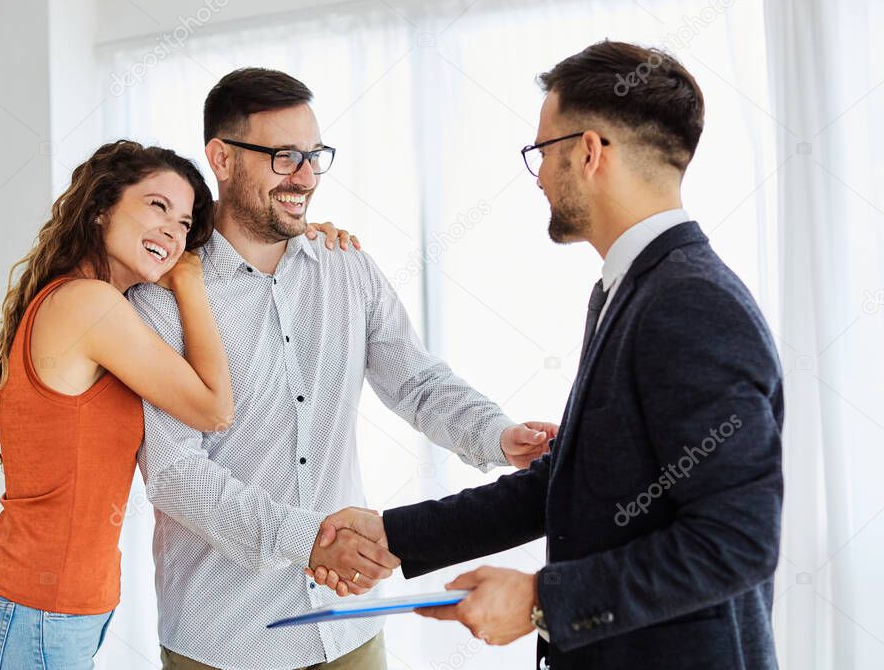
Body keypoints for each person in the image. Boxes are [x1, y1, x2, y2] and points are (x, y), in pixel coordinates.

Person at [312, 41, 784, 670]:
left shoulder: (689, 302)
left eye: (541, 153)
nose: (536, 176)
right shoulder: (630, 290)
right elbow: (569, 484)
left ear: (588, 152)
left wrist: (541, 600)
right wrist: (395, 535)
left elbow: (737, 542)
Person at [126, 67, 557, 670]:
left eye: (313, 155)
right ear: (221, 159)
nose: (305, 176)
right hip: (225, 637)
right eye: (282, 156)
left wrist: (497, 435)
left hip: (346, 627)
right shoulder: (159, 302)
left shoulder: (346, 267)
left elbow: (416, 381)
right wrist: (313, 541)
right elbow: (176, 476)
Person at [0, 140, 354, 669]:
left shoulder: (101, 305)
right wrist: (190, 284)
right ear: (101, 209)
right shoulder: (87, 306)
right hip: (34, 613)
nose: (173, 230)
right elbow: (215, 409)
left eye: (186, 223)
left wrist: (298, 232)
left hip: (58, 612)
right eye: (156, 206)